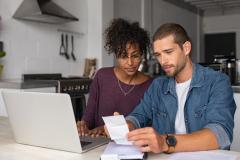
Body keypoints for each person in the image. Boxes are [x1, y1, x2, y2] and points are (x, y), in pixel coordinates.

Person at [109, 23, 236, 154]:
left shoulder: (217, 81)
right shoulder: (158, 86)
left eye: (168, 52)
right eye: (158, 55)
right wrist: (126, 125)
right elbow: (138, 116)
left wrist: (165, 142)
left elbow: (221, 134)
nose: (163, 61)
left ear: (186, 48)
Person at [77, 18, 153, 137]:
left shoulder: (151, 85)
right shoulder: (102, 76)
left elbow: (147, 126)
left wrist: (108, 129)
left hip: (131, 149)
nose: (130, 62)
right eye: (123, 56)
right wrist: (83, 125)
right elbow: (88, 118)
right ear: (116, 55)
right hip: (98, 147)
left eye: (135, 56)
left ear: (142, 55)